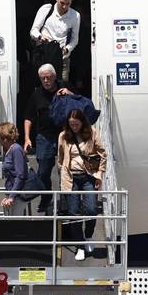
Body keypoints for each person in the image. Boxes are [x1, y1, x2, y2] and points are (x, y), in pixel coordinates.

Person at [21, 64, 74, 214]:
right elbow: (28, 118)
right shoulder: (37, 94)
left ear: (54, 76)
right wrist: (26, 138)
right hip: (45, 137)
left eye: (48, 77)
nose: (45, 80)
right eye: (42, 78)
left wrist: (69, 93)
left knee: (65, 170)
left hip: (65, 136)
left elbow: (81, 102)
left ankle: (65, 202)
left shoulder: (64, 87)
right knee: (43, 172)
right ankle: (46, 198)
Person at [58, 108, 106, 261]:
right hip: (71, 177)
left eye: (77, 124)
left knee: (91, 209)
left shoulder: (92, 133)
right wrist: (62, 170)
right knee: (73, 213)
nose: (74, 127)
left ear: (82, 122)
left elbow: (102, 153)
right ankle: (80, 246)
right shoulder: (63, 136)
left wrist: (99, 174)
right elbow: (60, 156)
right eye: (71, 124)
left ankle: (89, 236)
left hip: (88, 177)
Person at [29, 0, 81, 79]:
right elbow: (33, 31)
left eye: (68, 4)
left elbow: (75, 39)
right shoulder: (46, 9)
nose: (64, 6)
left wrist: (67, 49)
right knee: (43, 86)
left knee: (62, 88)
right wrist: (40, 37)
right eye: (62, 3)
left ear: (71, 1)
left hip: (62, 58)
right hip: (44, 55)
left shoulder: (75, 15)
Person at [0, 122, 30, 216]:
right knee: (10, 222)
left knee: (15, 223)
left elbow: (20, 175)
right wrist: (8, 196)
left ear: (4, 138)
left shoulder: (16, 150)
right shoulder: (9, 151)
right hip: (12, 193)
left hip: (18, 195)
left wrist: (12, 197)